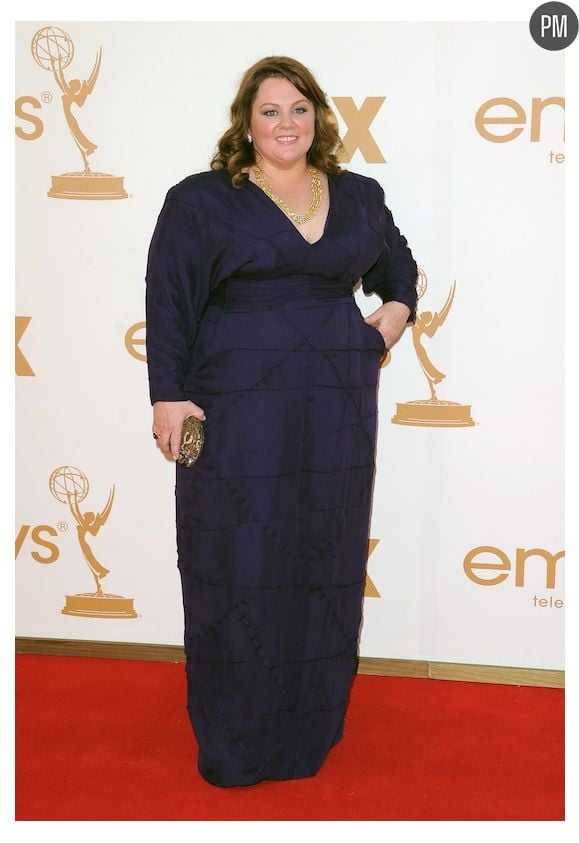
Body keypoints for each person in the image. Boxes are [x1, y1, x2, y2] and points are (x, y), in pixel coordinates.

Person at [145, 55, 418, 788]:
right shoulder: (203, 199)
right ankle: (236, 737)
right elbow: (169, 298)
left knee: (321, 552)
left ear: (320, 118)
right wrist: (166, 393)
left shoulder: (359, 195)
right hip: (235, 403)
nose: (287, 124)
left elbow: (400, 270)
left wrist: (381, 330)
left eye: (300, 109)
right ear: (246, 123)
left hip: (335, 402)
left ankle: (308, 726)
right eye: (270, 111)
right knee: (236, 559)